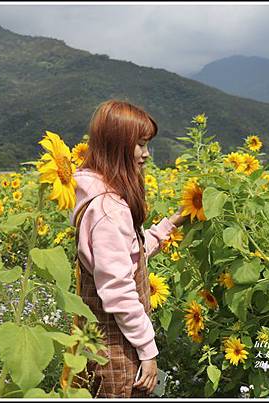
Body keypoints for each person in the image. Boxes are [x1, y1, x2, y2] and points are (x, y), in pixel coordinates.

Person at [70, 99, 187, 397]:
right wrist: (148, 351)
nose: (146, 154)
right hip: (115, 350)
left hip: (98, 343)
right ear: (117, 146)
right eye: (140, 145)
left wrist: (168, 226)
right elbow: (119, 290)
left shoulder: (99, 199)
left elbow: (128, 254)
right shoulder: (109, 209)